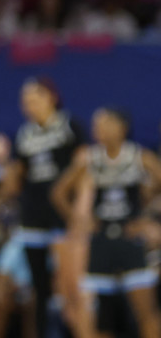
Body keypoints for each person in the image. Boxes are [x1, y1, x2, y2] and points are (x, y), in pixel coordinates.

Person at [53, 108, 161, 338]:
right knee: (100, 320)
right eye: (95, 125)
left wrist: (146, 216)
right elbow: (59, 193)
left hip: (130, 241)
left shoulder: (138, 156)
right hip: (101, 243)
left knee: (147, 313)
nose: (97, 130)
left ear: (121, 127)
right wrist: (80, 220)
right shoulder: (91, 159)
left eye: (103, 124)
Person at [0, 76, 84, 336]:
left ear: (51, 98)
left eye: (34, 100)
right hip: (33, 216)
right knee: (40, 288)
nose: (29, 106)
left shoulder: (69, 126)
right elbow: (14, 185)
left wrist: (72, 206)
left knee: (68, 287)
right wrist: (3, 160)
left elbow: (83, 167)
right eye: (25, 102)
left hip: (62, 217)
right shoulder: (25, 134)